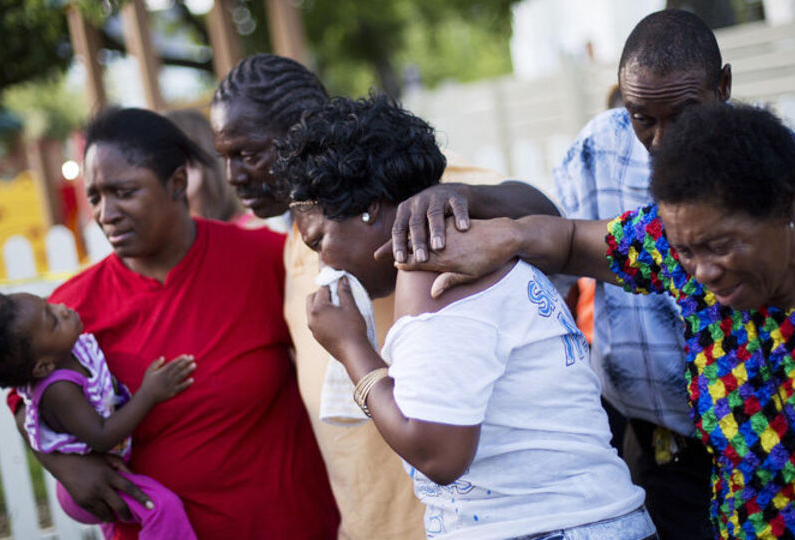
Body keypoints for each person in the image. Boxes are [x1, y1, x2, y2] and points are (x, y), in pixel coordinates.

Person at [385, 10, 795, 538]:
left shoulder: (770, 165)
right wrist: (493, 222)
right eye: (643, 117)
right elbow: (565, 236)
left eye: (683, 113)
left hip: (782, 452)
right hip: (660, 446)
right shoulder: (604, 158)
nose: (662, 140)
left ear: (723, 87)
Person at [275, 93, 655, 540]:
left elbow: (438, 454)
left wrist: (352, 349)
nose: (323, 266)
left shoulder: (430, 271)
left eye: (319, 241)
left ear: (370, 209)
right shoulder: (480, 238)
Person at [210, 53, 556, 539]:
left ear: (300, 131)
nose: (232, 176)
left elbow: (547, 219)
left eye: (246, 154)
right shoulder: (294, 239)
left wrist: (461, 198)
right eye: (223, 157)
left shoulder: (419, 198)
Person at [7, 107, 339, 539]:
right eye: (95, 197)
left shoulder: (264, 260)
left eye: (124, 192)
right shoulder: (67, 311)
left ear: (177, 183)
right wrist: (64, 466)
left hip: (290, 523)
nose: (106, 213)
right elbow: (24, 400)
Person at [0, 290, 197, 539]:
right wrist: (149, 393)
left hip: (106, 465)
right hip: (89, 481)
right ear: (43, 366)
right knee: (162, 508)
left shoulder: (71, 352)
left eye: (49, 305)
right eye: (52, 321)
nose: (62, 308)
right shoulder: (59, 389)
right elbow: (102, 436)